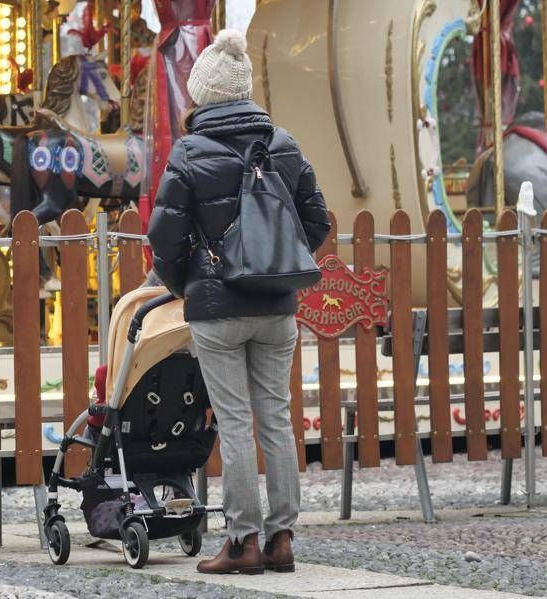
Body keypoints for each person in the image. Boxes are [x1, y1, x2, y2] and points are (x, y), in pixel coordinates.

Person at [147, 29, 330, 575]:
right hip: (276, 308)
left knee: (233, 423)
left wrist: (186, 286)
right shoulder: (284, 144)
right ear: (245, 90)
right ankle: (282, 540)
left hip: (217, 308)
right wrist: (277, 265)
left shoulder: (190, 151)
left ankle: (241, 542)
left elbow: (164, 238)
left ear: (202, 94)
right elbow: (317, 221)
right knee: (276, 418)